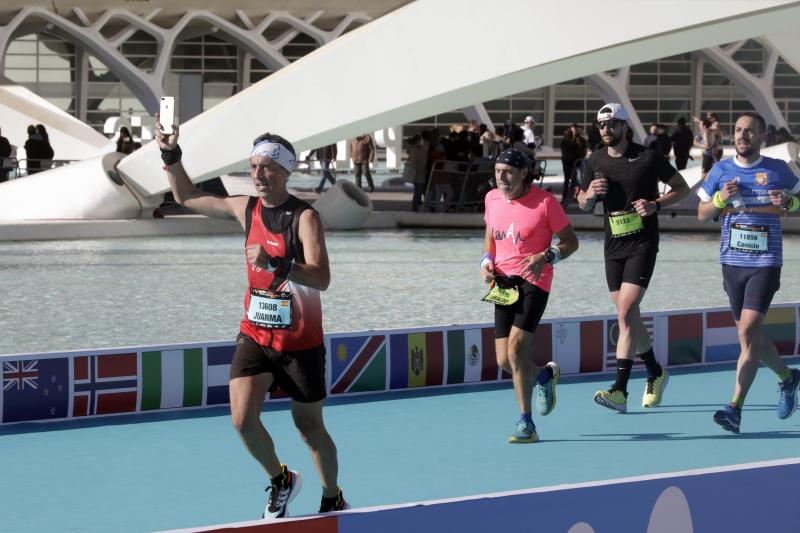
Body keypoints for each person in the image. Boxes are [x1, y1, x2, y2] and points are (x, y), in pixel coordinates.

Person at [154, 121, 348, 519]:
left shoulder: (305, 218)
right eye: (254, 166)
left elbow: (322, 278)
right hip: (256, 334)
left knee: (310, 429)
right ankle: (281, 480)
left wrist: (278, 262)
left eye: (268, 167)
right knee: (242, 421)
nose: (259, 174)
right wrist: (170, 154)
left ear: (286, 171)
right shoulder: (245, 208)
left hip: (300, 343)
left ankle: (332, 495)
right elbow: (186, 195)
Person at [577, 103, 689, 413]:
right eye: (601, 124)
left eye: (612, 124)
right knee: (631, 316)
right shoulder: (594, 160)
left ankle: (620, 391)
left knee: (626, 313)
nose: (605, 129)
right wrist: (589, 196)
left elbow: (681, 187)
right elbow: (582, 202)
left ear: (625, 127)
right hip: (613, 246)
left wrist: (655, 204)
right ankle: (655, 372)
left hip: (643, 243)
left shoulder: (648, 157)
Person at [697, 112, 800, 434]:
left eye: (750, 131)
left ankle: (734, 408)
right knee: (749, 335)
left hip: (766, 261)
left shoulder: (778, 169)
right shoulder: (721, 169)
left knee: (749, 330)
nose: (743, 136)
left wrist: (789, 202)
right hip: (732, 263)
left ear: (762, 137)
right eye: (739, 131)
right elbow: (701, 214)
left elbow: (799, 202)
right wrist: (718, 199)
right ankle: (787, 376)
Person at [480, 148, 579, 443]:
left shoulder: (546, 202)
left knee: (517, 349)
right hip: (502, 281)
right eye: (498, 171)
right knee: (504, 361)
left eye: (508, 171)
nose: (502, 177)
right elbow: (490, 237)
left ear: (524, 173)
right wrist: (485, 262)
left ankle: (527, 424)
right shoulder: (491, 198)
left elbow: (571, 242)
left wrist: (547, 256)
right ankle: (543, 377)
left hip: (535, 279)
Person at [403, 134, 427, 211]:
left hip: (419, 173)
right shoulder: (415, 150)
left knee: (419, 190)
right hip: (418, 174)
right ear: (417, 141)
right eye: (420, 140)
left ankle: (417, 205)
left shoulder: (416, 149)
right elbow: (415, 163)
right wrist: (422, 170)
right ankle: (415, 206)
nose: (421, 142)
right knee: (418, 191)